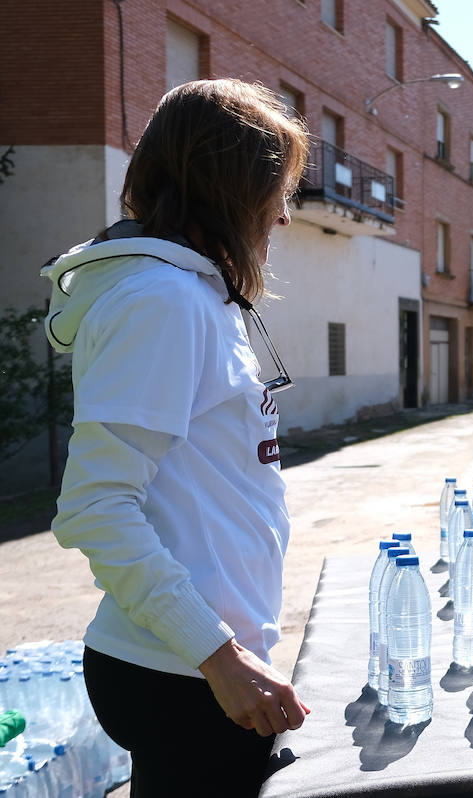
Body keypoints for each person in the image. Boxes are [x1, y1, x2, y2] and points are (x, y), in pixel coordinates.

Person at [41, 79, 311, 795]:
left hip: (196, 666)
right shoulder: (161, 301)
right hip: (182, 676)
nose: (282, 216)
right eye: (275, 190)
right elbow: (97, 507)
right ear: (227, 190)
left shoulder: (192, 293)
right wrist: (221, 658)